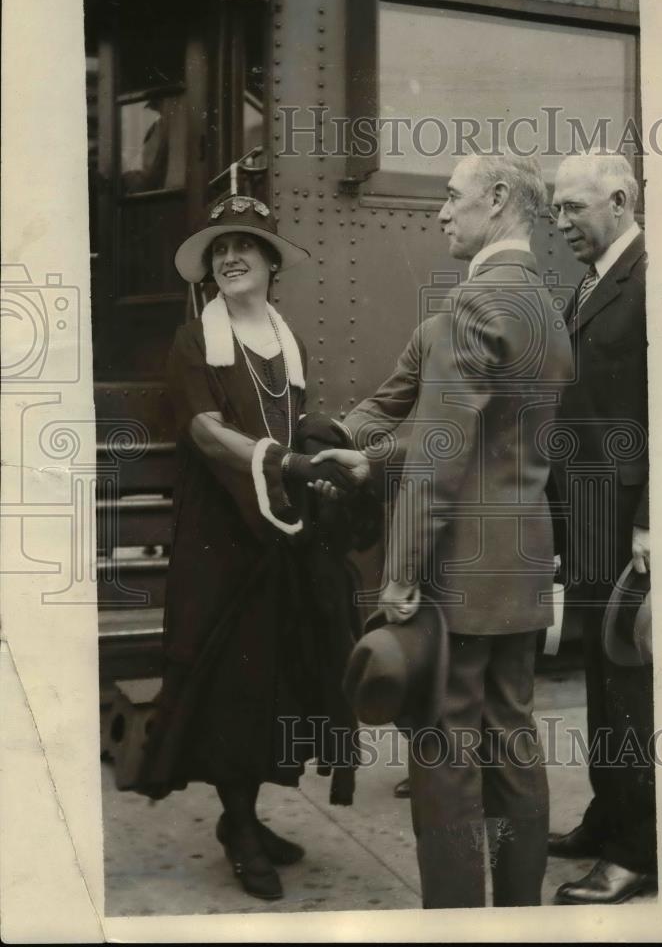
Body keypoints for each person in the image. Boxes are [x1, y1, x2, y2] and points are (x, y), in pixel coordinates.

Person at [313, 153, 573, 908]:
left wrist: (398, 576)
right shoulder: (545, 307)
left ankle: (456, 922)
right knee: (513, 741)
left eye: (454, 197)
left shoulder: (471, 306)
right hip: (520, 567)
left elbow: (438, 456)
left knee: (444, 755)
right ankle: (520, 917)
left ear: (498, 199)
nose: (441, 212)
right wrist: (373, 455)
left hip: (456, 573)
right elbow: (489, 444)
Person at [134, 195, 371, 901]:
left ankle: (248, 815)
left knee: (273, 676)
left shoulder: (283, 339)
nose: (229, 258)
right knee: (231, 686)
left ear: (270, 262)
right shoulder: (193, 340)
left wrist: (315, 469)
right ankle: (237, 825)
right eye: (218, 249)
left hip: (277, 531)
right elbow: (206, 432)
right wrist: (286, 465)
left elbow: (293, 427)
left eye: (243, 245)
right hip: (219, 536)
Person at [547, 152, 656, 904]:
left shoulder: (653, 279)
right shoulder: (591, 282)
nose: (560, 223)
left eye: (573, 208)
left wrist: (650, 523)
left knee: (630, 685)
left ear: (618, 201)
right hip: (588, 516)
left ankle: (637, 849)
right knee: (599, 672)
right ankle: (607, 814)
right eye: (556, 209)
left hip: (626, 523)